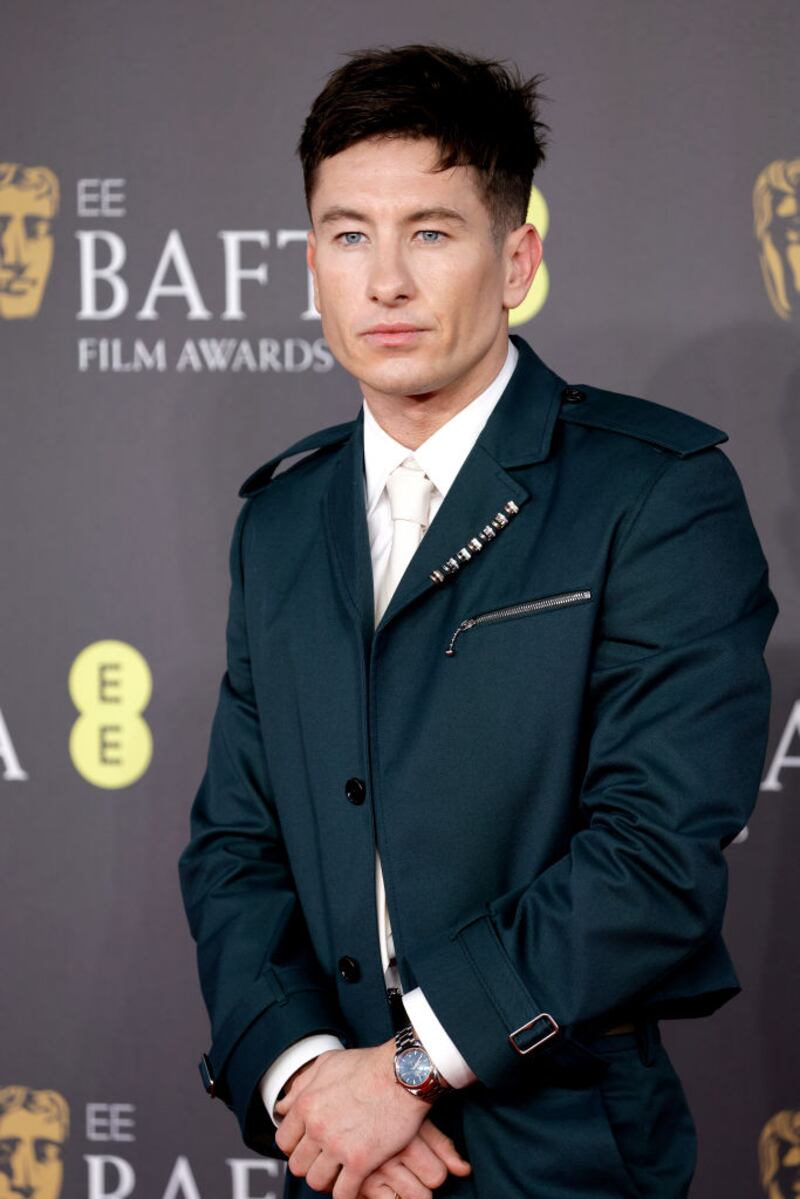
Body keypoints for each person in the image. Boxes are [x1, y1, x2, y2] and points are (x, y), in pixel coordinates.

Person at [178, 43, 779, 1199]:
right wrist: (311, 1077)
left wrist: (402, 1071)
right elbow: (235, 850)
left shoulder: (651, 492)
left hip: (564, 1153)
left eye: (431, 233)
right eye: (347, 234)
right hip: (339, 1160)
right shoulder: (280, 521)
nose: (385, 281)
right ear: (309, 259)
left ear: (516, 259)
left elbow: (650, 860)